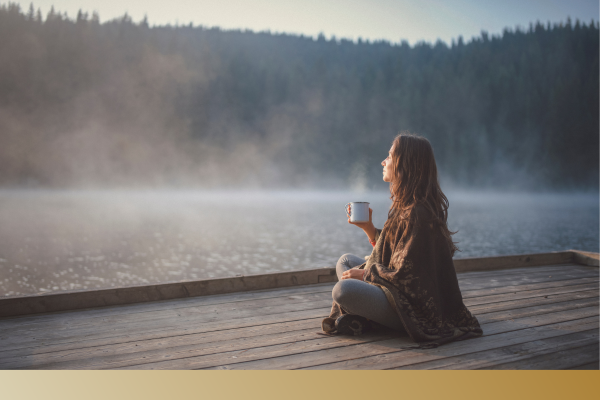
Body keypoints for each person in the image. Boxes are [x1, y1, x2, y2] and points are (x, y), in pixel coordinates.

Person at [321, 132, 483, 348]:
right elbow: (395, 252)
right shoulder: (405, 205)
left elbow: (408, 276)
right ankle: (364, 315)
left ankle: (368, 318)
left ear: (405, 164)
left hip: (414, 309)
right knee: (346, 261)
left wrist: (366, 274)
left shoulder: (418, 212)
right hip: (395, 290)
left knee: (343, 291)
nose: (383, 161)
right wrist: (368, 228)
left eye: (389, 156)